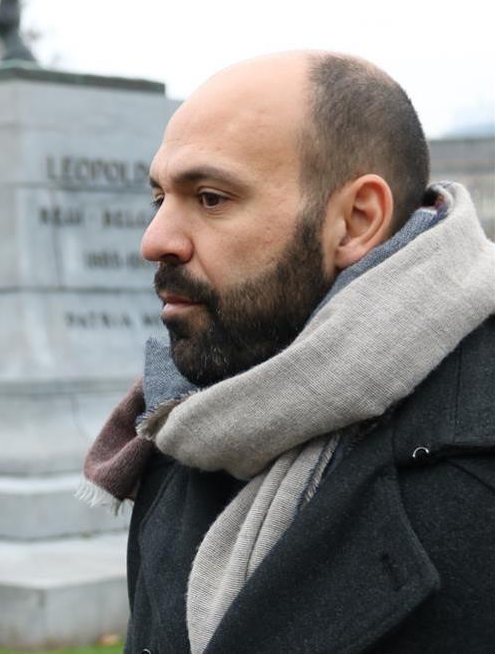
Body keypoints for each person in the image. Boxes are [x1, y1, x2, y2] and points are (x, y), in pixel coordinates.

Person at [77, 51, 495, 652]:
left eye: (211, 198)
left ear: (355, 221)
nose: (155, 241)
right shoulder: (184, 426)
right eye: (158, 199)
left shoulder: (474, 466)